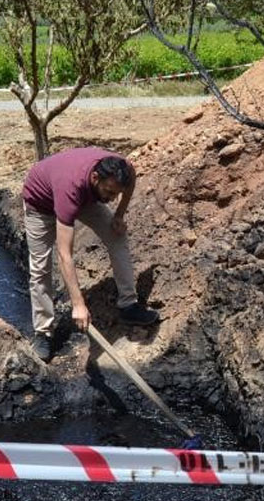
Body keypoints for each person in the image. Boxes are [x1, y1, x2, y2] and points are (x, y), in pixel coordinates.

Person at [21, 147, 160, 362]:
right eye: (109, 192)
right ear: (95, 177)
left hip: (86, 196)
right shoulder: (70, 188)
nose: (112, 198)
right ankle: (43, 332)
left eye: (116, 194)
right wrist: (78, 305)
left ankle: (129, 305)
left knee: (117, 237)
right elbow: (64, 254)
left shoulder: (124, 169)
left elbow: (130, 182)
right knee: (40, 268)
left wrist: (119, 215)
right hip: (41, 205)